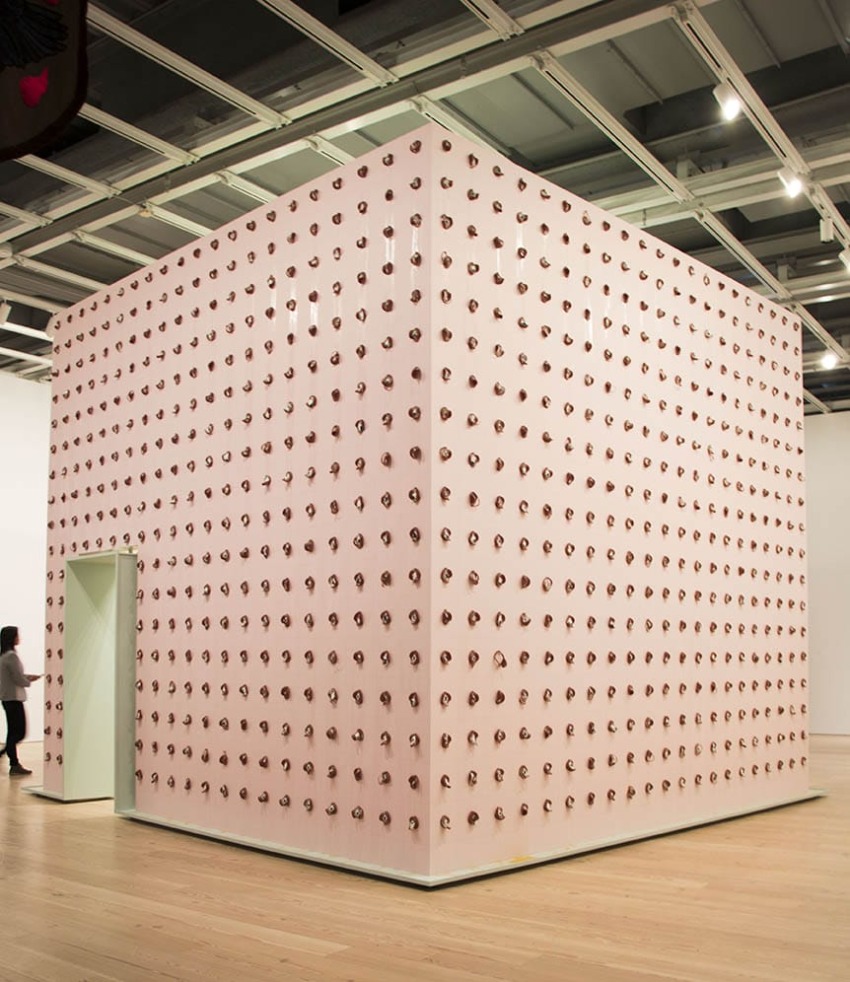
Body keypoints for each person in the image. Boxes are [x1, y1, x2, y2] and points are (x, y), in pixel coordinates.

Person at [0, 625, 41, 776]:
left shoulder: (3, 656)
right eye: (17, 635)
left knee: (13, 732)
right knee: (19, 733)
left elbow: (13, 676)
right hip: (14, 698)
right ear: (12, 637)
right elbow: (18, 678)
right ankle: (12, 762)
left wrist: (26, 677)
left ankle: (13, 762)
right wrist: (28, 680)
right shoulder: (11, 656)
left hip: (7, 698)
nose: (19, 638)